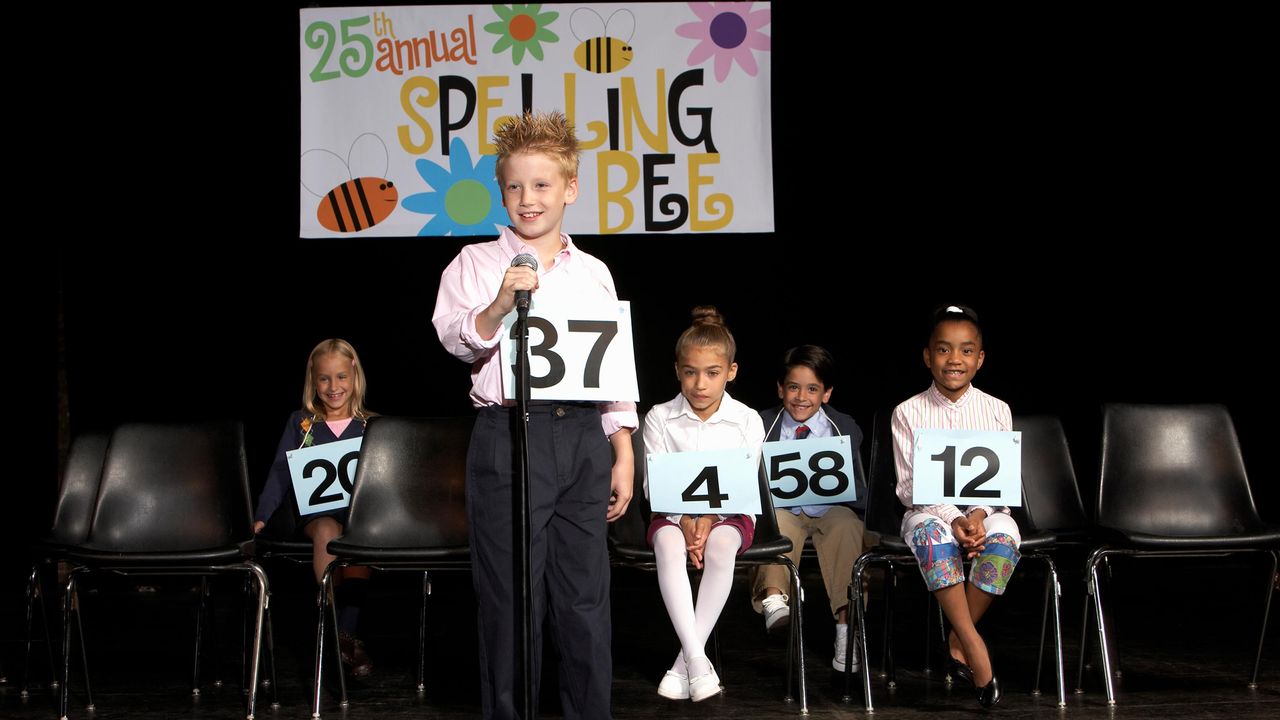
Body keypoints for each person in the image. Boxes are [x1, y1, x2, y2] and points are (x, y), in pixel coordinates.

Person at [431, 111, 636, 720]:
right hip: (509, 435)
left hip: (580, 437)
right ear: (501, 191)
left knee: (583, 600)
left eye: (543, 185)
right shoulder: (473, 263)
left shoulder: (594, 271)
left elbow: (613, 368)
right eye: (516, 187)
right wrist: (499, 302)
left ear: (569, 189)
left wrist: (622, 449)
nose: (528, 199)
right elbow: (458, 339)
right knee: (512, 600)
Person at [891, 305, 1018, 707]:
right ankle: (974, 645)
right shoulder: (908, 412)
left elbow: (1000, 482)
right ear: (928, 356)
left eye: (965, 351)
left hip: (986, 513)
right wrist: (955, 518)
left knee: (1005, 540)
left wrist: (977, 516)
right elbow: (911, 485)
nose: (954, 360)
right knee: (932, 535)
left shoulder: (997, 410)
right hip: (929, 511)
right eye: (944, 350)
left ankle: (957, 636)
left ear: (979, 359)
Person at [643, 306, 764, 702]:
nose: (700, 383)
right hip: (673, 516)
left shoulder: (746, 419)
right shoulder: (660, 417)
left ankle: (683, 664)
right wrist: (685, 520)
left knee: (722, 546)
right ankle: (697, 658)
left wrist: (710, 518)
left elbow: (745, 481)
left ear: (730, 371)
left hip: (729, 515)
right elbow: (653, 485)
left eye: (712, 373)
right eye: (690, 371)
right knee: (667, 545)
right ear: (677, 369)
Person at [253, 338, 374, 676]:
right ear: (313, 380)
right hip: (315, 514)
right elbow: (280, 472)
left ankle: (342, 636)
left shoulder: (371, 426)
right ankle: (333, 625)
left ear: (354, 376)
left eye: (340, 377)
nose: (333, 386)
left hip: (359, 518)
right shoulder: (302, 424)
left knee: (358, 534)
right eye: (324, 378)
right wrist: (262, 515)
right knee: (326, 530)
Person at [750, 345, 867, 672]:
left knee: (847, 526)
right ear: (780, 389)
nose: (802, 396)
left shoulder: (843, 425)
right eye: (793, 387)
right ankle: (775, 598)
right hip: (785, 511)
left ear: (826, 393)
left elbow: (855, 483)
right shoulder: (762, 424)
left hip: (830, 509)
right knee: (778, 524)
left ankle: (848, 627)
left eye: (813, 388)